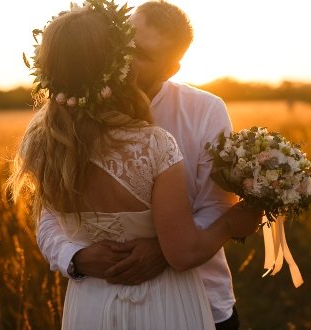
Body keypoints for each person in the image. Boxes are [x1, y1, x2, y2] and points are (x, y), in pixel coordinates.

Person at [35, 1, 254, 329]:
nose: (124, 57)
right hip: (101, 303)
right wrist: (74, 258)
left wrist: (164, 251)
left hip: (203, 301)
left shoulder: (205, 110)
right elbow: (49, 215)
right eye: (123, 43)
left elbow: (216, 206)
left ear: (171, 69)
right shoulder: (70, 116)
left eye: (141, 53)